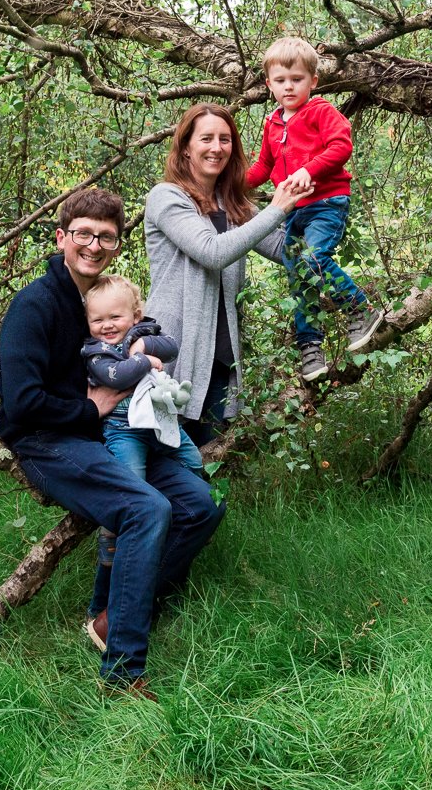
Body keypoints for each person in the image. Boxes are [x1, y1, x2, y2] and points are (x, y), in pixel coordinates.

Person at [0, 188, 223, 699]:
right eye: (83, 234)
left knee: (198, 507)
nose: (93, 245)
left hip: (106, 435)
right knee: (145, 509)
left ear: (117, 245)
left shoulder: (99, 302)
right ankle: (123, 671)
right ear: (61, 238)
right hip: (45, 440)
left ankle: (109, 617)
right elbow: (19, 401)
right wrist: (88, 408)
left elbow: (146, 341)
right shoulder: (35, 305)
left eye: (106, 237)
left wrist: (142, 348)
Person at [144, 103, 316, 447]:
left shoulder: (232, 204)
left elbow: (285, 249)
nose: (217, 147)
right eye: (206, 138)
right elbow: (213, 252)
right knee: (166, 460)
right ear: (186, 147)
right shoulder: (167, 198)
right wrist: (277, 208)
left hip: (220, 358)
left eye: (225, 139)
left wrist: (323, 221)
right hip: (174, 352)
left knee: (210, 465)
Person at [244, 36, 382, 382]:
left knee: (313, 258)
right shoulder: (273, 123)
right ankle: (310, 347)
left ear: (313, 81)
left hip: (325, 203)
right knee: (299, 277)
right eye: (280, 80)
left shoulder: (321, 111)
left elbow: (341, 146)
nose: (288, 86)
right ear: (269, 85)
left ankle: (359, 307)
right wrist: (230, 186)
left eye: (297, 79)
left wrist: (308, 170)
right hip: (293, 210)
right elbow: (263, 167)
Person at [79, 273, 207, 639]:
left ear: (135, 314)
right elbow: (115, 376)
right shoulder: (94, 352)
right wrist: (145, 361)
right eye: (97, 320)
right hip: (124, 433)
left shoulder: (143, 332)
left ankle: (188, 518)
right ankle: (111, 540)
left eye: (115, 318)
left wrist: (142, 345)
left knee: (195, 464)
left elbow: (171, 345)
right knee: (131, 496)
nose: (106, 327)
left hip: (160, 423)